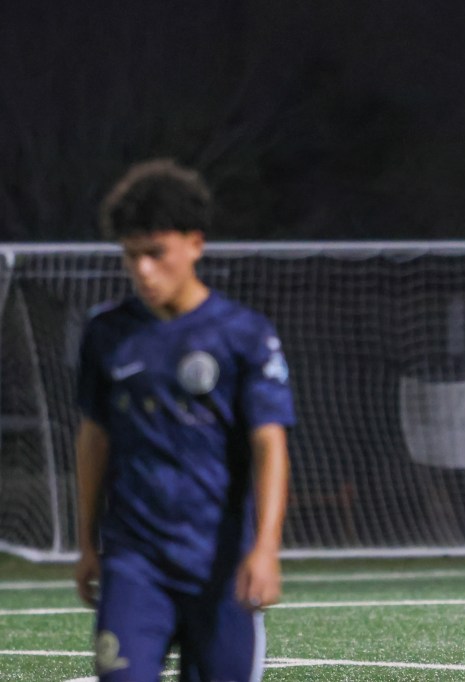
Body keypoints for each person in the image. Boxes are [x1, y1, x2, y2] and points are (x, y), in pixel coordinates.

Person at [73, 159, 294, 680]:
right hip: (134, 563)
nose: (143, 270)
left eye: (156, 253)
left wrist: (266, 549)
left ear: (195, 244)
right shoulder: (106, 333)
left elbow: (269, 445)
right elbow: (93, 439)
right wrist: (85, 544)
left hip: (219, 564)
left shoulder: (243, 334)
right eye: (132, 256)